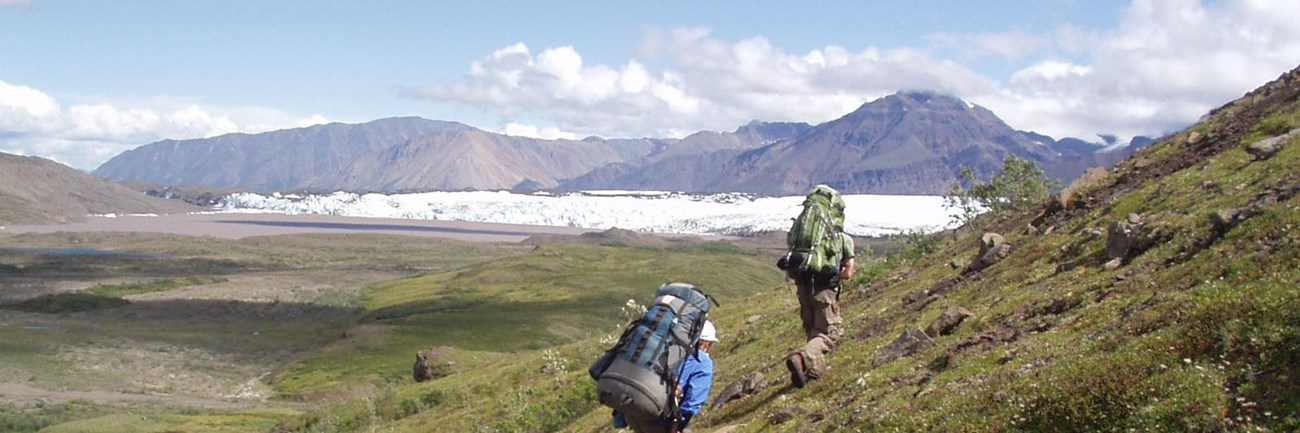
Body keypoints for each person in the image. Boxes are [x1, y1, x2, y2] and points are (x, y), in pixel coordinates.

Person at [786, 217, 855, 389]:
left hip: (803, 289)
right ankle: (802, 358)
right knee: (830, 334)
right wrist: (834, 278)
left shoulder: (804, 239)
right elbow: (848, 273)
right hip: (824, 291)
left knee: (813, 330)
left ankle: (812, 371)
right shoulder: (842, 238)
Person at [617, 320, 718, 433]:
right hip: (660, 419)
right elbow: (693, 401)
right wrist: (678, 424)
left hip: (634, 413)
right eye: (710, 344)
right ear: (705, 342)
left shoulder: (666, 348)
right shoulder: (702, 362)